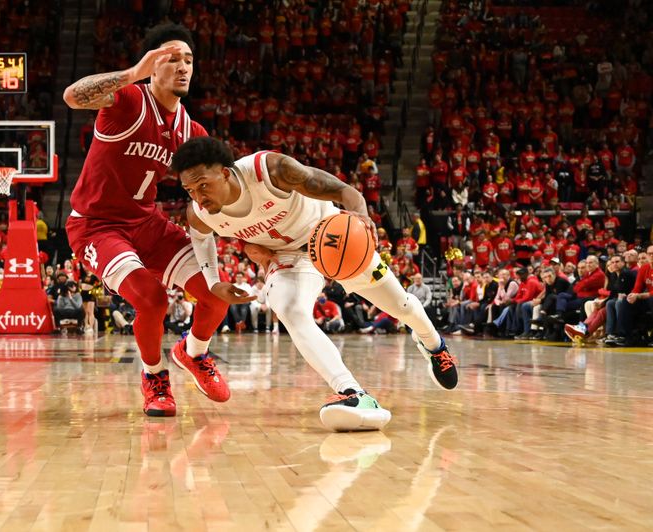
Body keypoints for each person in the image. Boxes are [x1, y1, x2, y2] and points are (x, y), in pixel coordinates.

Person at [171, 137, 458, 431]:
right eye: (190, 190)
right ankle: (352, 393)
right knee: (289, 309)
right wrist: (213, 281)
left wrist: (360, 216)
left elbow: (343, 191)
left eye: (203, 185)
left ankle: (435, 346)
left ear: (226, 173)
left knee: (403, 306)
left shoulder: (271, 171)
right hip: (288, 258)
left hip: (331, 237)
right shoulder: (200, 212)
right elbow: (201, 238)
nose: (198, 196)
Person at [63, 23, 234, 417]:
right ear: (152, 64)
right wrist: (131, 73)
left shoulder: (192, 133)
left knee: (216, 292)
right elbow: (73, 96)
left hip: (147, 223)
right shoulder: (126, 101)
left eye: (189, 59)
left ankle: (193, 354)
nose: (183, 66)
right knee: (152, 299)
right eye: (172, 58)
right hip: (96, 224)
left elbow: (215, 196)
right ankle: (154, 376)